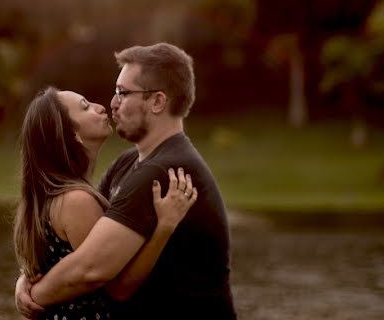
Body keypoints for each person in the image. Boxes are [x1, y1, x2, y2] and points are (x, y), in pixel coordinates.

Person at [16, 43, 237, 319]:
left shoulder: (165, 172)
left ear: (157, 102)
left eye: (123, 92)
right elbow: (79, 244)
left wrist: (33, 294)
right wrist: (26, 276)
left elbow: (90, 269)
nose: (112, 103)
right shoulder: (128, 163)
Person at [13, 85, 198, 320]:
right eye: (85, 107)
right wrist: (165, 226)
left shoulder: (53, 197)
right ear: (72, 134)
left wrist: (26, 284)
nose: (101, 107)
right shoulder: (76, 201)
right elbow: (118, 286)